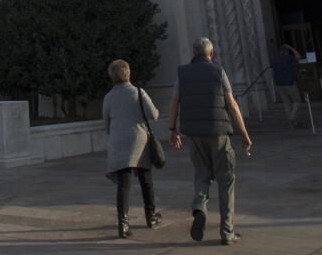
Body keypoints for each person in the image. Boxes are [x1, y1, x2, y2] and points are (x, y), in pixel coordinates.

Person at [169, 37, 252, 246]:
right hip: (219, 133)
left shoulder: (182, 73)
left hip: (194, 134)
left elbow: (174, 102)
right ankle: (227, 231)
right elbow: (232, 104)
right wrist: (244, 133)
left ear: (194, 54)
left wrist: (173, 131)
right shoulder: (218, 71)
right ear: (211, 53)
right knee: (226, 180)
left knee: (202, 175)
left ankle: (199, 209)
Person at [101, 59, 163, 239]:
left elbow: (106, 125)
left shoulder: (108, 97)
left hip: (118, 142)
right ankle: (151, 217)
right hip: (139, 141)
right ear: (128, 73)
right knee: (146, 179)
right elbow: (154, 115)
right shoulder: (138, 92)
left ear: (112, 77)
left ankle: (123, 224)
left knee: (124, 184)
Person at [270, 42, 302, 126]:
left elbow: (272, 70)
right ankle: (292, 117)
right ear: (286, 52)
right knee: (297, 100)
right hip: (289, 83)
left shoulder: (274, 59)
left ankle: (291, 123)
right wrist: (291, 48)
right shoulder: (288, 58)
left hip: (279, 84)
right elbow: (299, 57)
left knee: (286, 103)